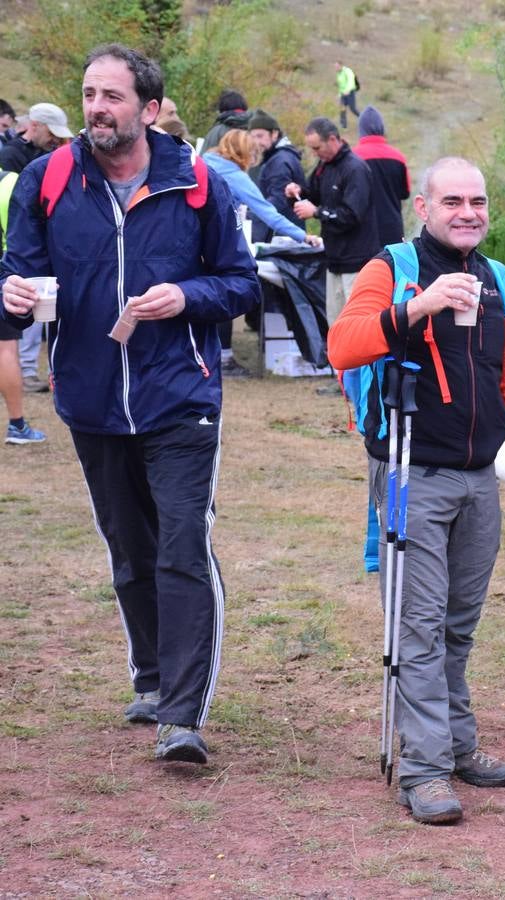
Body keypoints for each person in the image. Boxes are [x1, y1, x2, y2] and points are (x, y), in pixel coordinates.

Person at [1, 43, 261, 763]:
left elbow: (244, 285)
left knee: (181, 548)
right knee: (129, 552)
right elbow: (18, 275)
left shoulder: (200, 183)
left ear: (148, 109)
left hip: (181, 396)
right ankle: (151, 678)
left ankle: (182, 716)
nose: (95, 109)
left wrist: (186, 296)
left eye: (111, 96)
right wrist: (12, 296)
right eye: (88, 94)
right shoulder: (47, 180)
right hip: (90, 400)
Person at [328, 156, 505, 825]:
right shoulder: (390, 269)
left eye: (478, 201)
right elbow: (343, 347)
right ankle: (423, 770)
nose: (468, 212)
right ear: (422, 207)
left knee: (458, 622)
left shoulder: (495, 276)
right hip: (408, 475)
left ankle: (453, 744)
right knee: (418, 623)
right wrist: (416, 306)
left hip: (478, 476)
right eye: (452, 200)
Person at [205, 130, 320, 377]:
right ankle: (223, 358)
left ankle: (208, 356)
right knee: (223, 294)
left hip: (193, 244)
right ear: (246, 154)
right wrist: (302, 236)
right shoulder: (234, 175)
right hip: (215, 244)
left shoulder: (206, 162)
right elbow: (268, 213)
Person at [285, 116, 379, 373]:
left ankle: (363, 380)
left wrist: (315, 212)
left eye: (317, 147)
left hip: (358, 261)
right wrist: (298, 192)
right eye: (312, 148)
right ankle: (343, 379)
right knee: (336, 325)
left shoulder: (355, 168)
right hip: (334, 260)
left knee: (358, 325)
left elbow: (351, 214)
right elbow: (314, 193)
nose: (315, 153)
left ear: (334, 140)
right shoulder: (324, 166)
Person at [0, 165, 45, 443]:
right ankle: (17, 425)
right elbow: (17, 238)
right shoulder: (9, 182)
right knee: (6, 349)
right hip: (7, 278)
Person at [352, 107, 410, 246]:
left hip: (362, 233)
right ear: (381, 128)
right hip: (392, 230)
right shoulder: (398, 157)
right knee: (392, 267)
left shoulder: (351, 157)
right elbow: (405, 193)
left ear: (361, 129)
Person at [247, 110, 305, 242]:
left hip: (283, 237)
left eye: (260, 136)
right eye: (253, 137)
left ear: (274, 134)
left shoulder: (280, 161)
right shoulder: (277, 157)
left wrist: (250, 214)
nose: (256, 141)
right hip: (284, 233)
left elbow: (279, 200)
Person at [0, 102, 74, 173]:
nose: (56, 140)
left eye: (59, 136)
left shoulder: (51, 153)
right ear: (34, 125)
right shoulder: (10, 155)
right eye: (51, 133)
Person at [335, 61, 360, 130]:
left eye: (337, 66)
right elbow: (340, 85)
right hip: (343, 93)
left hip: (350, 92)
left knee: (353, 109)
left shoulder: (347, 71)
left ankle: (364, 119)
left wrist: (348, 90)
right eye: (335, 67)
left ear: (341, 66)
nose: (335, 68)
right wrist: (340, 94)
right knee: (342, 109)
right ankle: (343, 126)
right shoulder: (338, 73)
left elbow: (351, 81)